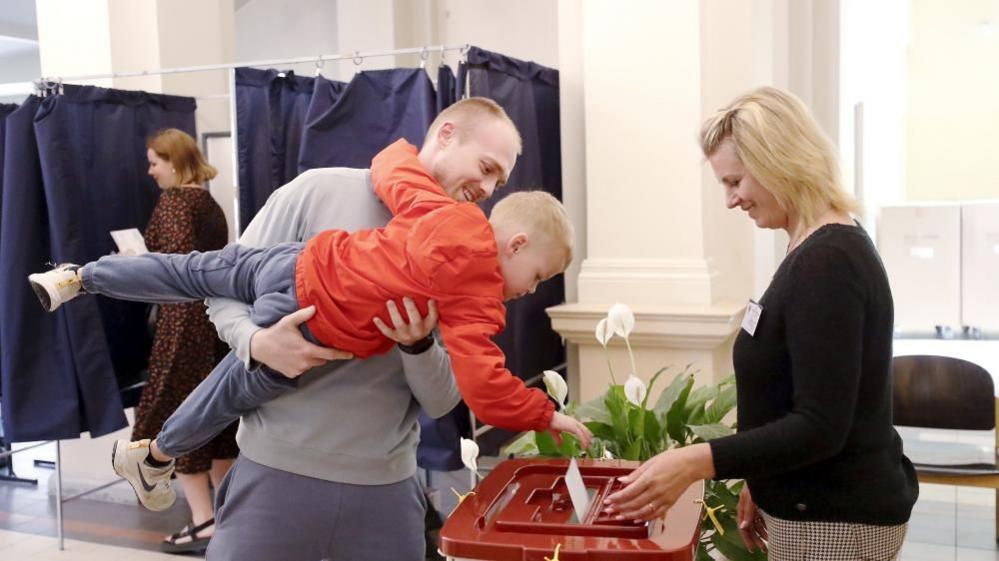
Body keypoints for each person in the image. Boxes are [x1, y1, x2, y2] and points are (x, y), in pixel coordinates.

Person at [31, 95, 589, 507]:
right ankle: (149, 450)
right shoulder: (459, 273)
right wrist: (256, 342)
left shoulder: (445, 220)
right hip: (294, 341)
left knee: (195, 279)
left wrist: (419, 345)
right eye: (487, 168)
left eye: (500, 181)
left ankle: (84, 281)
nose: (489, 189)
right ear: (445, 134)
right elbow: (486, 385)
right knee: (223, 363)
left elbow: (392, 168)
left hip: (306, 281)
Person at [604, 86, 918, 561]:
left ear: (779, 162)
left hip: (836, 516)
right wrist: (762, 479)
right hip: (810, 501)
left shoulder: (828, 260)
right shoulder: (811, 246)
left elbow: (820, 425)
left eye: (735, 182)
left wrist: (694, 462)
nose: (731, 201)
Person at [134, 129, 238, 554]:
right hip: (214, 320)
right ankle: (228, 516)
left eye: (155, 163)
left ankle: (203, 520)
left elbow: (175, 268)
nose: (150, 171)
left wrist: (136, 265)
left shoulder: (176, 202)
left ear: (174, 163)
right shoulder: (207, 202)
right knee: (218, 419)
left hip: (183, 324)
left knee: (176, 419)